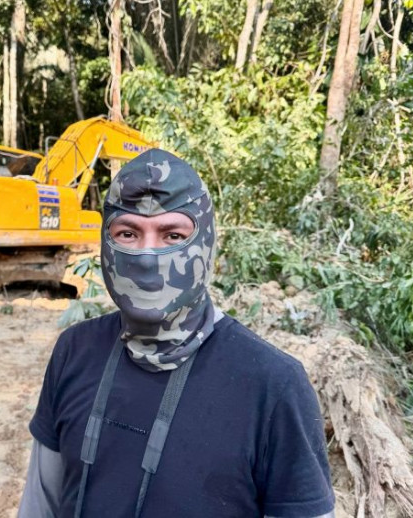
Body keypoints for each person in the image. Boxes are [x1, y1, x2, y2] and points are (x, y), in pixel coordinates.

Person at [18, 149, 335, 518]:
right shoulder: (75, 351)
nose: (147, 256)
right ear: (105, 243)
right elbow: (40, 505)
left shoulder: (273, 385)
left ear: (206, 243)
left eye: (172, 235)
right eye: (127, 233)